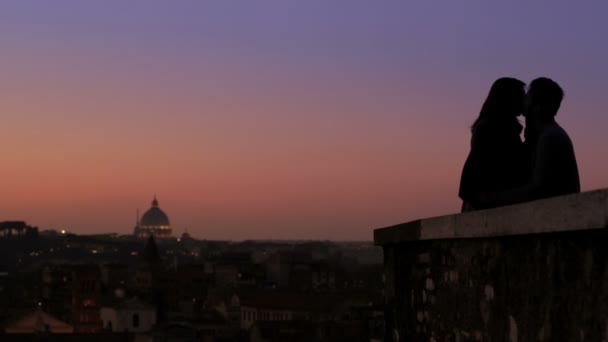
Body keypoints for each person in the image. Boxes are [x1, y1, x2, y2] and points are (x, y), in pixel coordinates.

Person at [495, 77, 580, 203]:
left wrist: (494, 197)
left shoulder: (550, 138)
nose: (524, 97)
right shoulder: (545, 136)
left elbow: (538, 190)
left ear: (537, 105)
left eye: (528, 94)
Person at [458, 77, 527, 211]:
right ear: (509, 99)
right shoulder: (494, 129)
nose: (523, 101)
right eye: (520, 96)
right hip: (486, 204)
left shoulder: (493, 127)